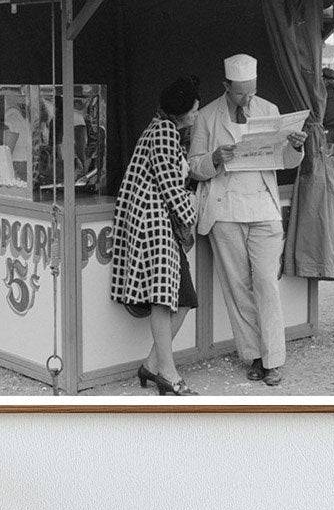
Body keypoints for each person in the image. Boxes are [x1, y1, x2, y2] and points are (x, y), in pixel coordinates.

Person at [188, 54, 307, 387]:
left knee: (267, 283)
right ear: (226, 86)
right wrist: (214, 158)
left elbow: (285, 161)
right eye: (240, 93)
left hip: (263, 207)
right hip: (225, 211)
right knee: (238, 287)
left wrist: (296, 148)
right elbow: (193, 167)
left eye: (251, 91)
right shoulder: (206, 116)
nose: (247, 98)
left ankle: (274, 359)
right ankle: (254, 355)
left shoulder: (269, 110)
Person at [110, 76, 200, 396]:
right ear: (184, 111)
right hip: (156, 224)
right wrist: (191, 213)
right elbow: (171, 187)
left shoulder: (158, 128)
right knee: (164, 300)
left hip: (153, 223)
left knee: (184, 299)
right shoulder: (165, 133)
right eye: (194, 107)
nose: (197, 111)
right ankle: (168, 373)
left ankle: (151, 365)